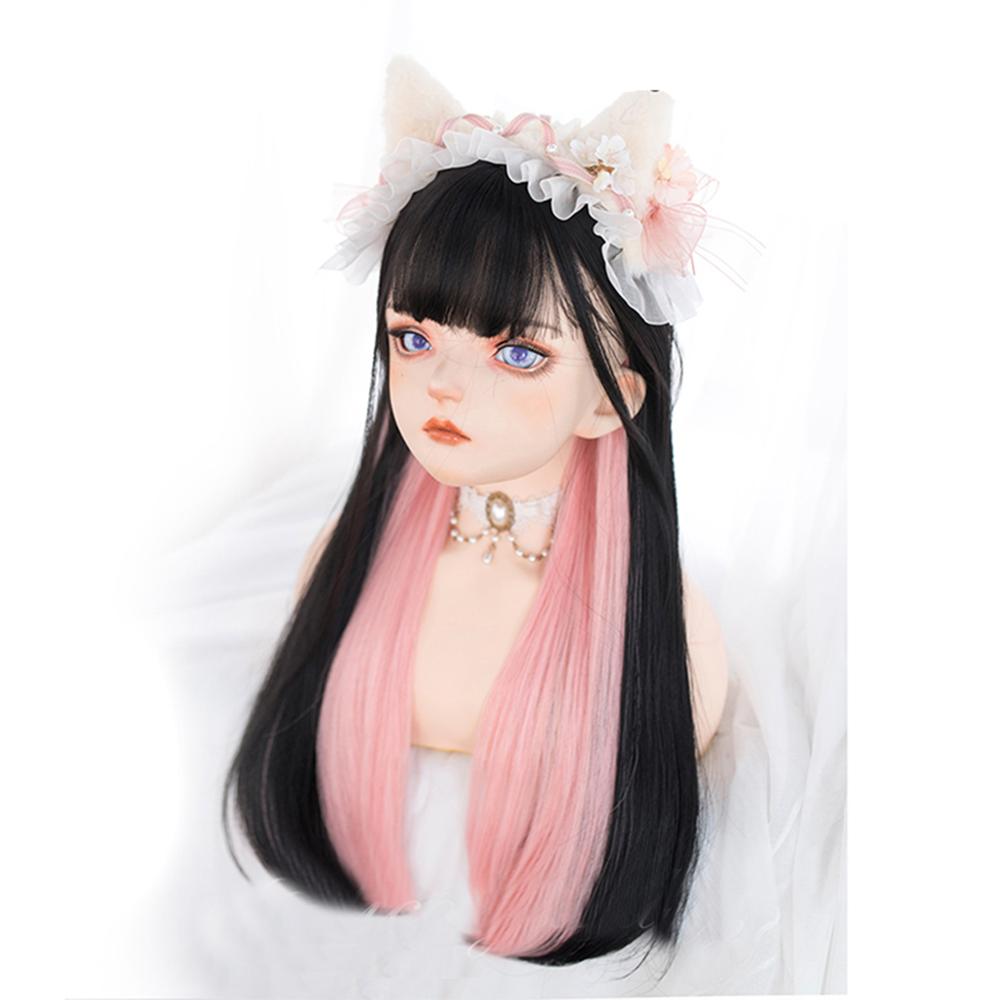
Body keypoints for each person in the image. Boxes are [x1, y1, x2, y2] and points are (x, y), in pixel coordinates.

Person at [224, 55, 755, 979]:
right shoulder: (340, 569)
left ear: (613, 398)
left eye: (517, 354)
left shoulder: (665, 643)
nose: (442, 386)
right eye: (413, 337)